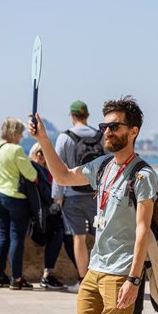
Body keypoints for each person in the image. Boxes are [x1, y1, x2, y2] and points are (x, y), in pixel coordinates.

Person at [29, 96, 158, 314]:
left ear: (133, 132)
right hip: (96, 268)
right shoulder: (102, 166)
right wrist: (44, 138)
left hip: (121, 272)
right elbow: (62, 175)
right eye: (105, 126)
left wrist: (133, 278)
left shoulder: (142, 175)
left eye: (114, 126)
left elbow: (143, 229)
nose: (106, 131)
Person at [53, 100, 104, 293]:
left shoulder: (65, 138)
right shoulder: (100, 137)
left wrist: (57, 197)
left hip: (72, 196)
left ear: (72, 116)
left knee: (78, 239)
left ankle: (83, 282)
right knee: (101, 237)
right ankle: (101, 278)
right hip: (96, 196)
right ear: (88, 115)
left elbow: (57, 171)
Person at [0, 118, 38, 290]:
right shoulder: (16, 150)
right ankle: (16, 278)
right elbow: (31, 175)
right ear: (14, 132)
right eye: (20, 132)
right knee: (17, 238)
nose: (22, 135)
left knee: (3, 236)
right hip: (15, 197)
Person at [28, 143, 72, 290]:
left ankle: (51, 274)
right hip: (40, 217)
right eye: (38, 153)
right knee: (61, 233)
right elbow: (45, 195)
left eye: (43, 153)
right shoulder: (33, 170)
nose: (40, 155)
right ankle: (48, 274)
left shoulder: (47, 171)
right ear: (33, 154)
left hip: (50, 213)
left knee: (66, 234)